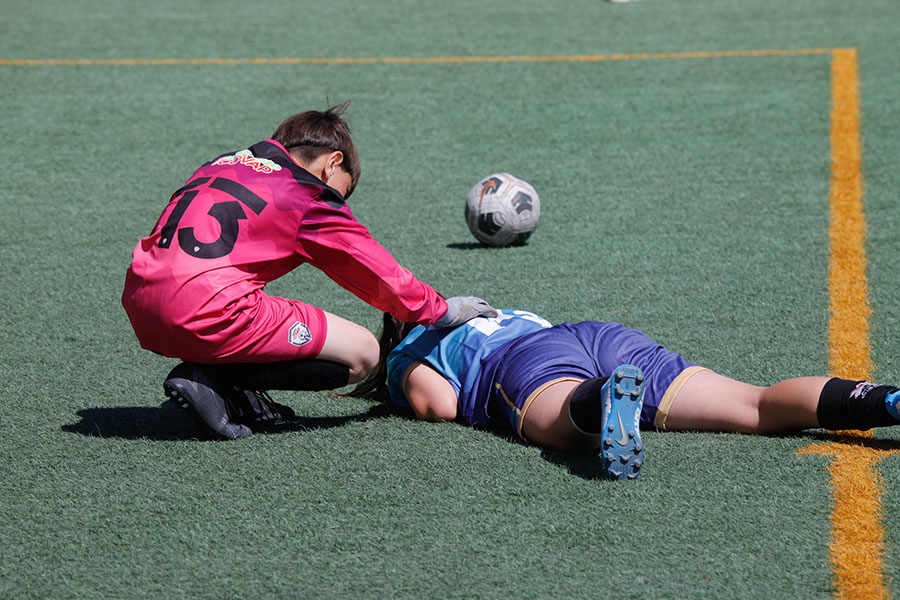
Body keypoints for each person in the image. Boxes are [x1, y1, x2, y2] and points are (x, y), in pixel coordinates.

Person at [121, 102, 496, 440]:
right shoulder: (307, 194)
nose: (339, 201)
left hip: (140, 302)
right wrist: (442, 310)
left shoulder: (221, 163)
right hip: (205, 310)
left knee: (252, 299)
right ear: (333, 163)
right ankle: (214, 380)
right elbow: (376, 274)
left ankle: (230, 389)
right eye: (342, 192)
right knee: (363, 353)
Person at [348, 309, 900, 480]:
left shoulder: (408, 349)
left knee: (567, 428)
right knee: (754, 406)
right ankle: (888, 402)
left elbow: (437, 406)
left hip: (526, 364)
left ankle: (600, 398)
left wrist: (397, 382)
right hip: (595, 335)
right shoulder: (487, 309)